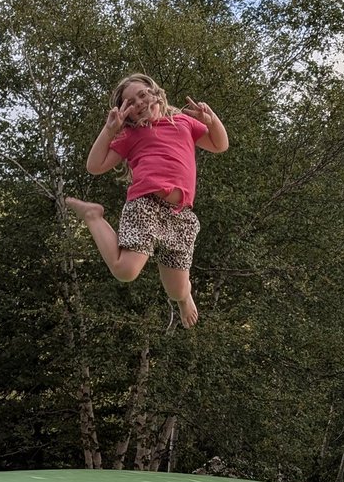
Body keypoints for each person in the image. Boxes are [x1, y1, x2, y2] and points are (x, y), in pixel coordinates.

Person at [65, 73, 229, 328]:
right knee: (125, 271)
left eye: (142, 95)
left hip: (181, 214)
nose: (139, 102)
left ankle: (184, 296)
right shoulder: (131, 136)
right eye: (131, 102)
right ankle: (93, 216)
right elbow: (94, 166)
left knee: (176, 290)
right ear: (126, 113)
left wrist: (212, 120)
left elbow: (220, 145)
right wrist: (109, 130)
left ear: (155, 93)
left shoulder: (183, 122)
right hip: (145, 205)